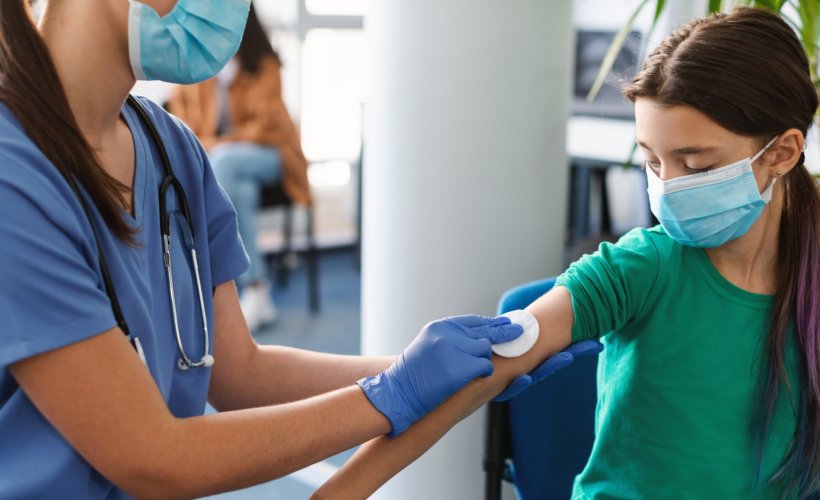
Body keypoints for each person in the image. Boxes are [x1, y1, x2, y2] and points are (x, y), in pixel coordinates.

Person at [0, 1, 594, 497]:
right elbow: (151, 456)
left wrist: (429, 369)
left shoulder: (171, 147)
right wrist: (396, 394)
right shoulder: (12, 174)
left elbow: (238, 372)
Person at [312, 7, 820, 499]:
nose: (669, 188)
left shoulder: (811, 275)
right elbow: (484, 374)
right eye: (652, 162)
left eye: (696, 164)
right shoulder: (639, 268)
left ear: (782, 152)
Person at [167, 5, 303, 330]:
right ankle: (257, 289)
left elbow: (265, 128)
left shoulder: (264, 65)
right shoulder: (195, 66)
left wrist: (219, 143)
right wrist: (217, 144)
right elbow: (180, 125)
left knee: (224, 163)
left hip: (271, 155)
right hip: (228, 166)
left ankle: (238, 287)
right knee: (239, 185)